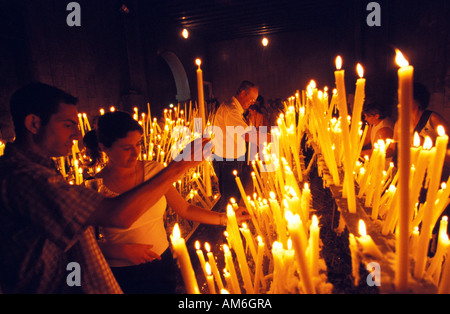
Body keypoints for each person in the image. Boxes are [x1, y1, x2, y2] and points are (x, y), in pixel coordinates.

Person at [0, 82, 211, 294]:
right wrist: (181, 164)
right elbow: (117, 216)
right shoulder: (25, 177)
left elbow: (71, 242)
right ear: (34, 124)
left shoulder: (43, 172)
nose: (77, 135)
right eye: (67, 124)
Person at [83, 111, 249, 294]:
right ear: (104, 148)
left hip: (161, 262)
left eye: (138, 144)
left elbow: (184, 208)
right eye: (126, 148)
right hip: (122, 272)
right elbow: (85, 242)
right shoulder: (94, 187)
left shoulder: (155, 171)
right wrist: (121, 252)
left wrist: (225, 218)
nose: (136, 152)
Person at [212, 81, 260, 206]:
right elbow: (247, 134)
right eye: (252, 99)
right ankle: (230, 223)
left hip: (233, 159)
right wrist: (275, 138)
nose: (253, 103)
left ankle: (232, 221)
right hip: (227, 161)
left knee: (234, 195)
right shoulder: (230, 109)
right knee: (231, 199)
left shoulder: (236, 110)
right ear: (243, 93)